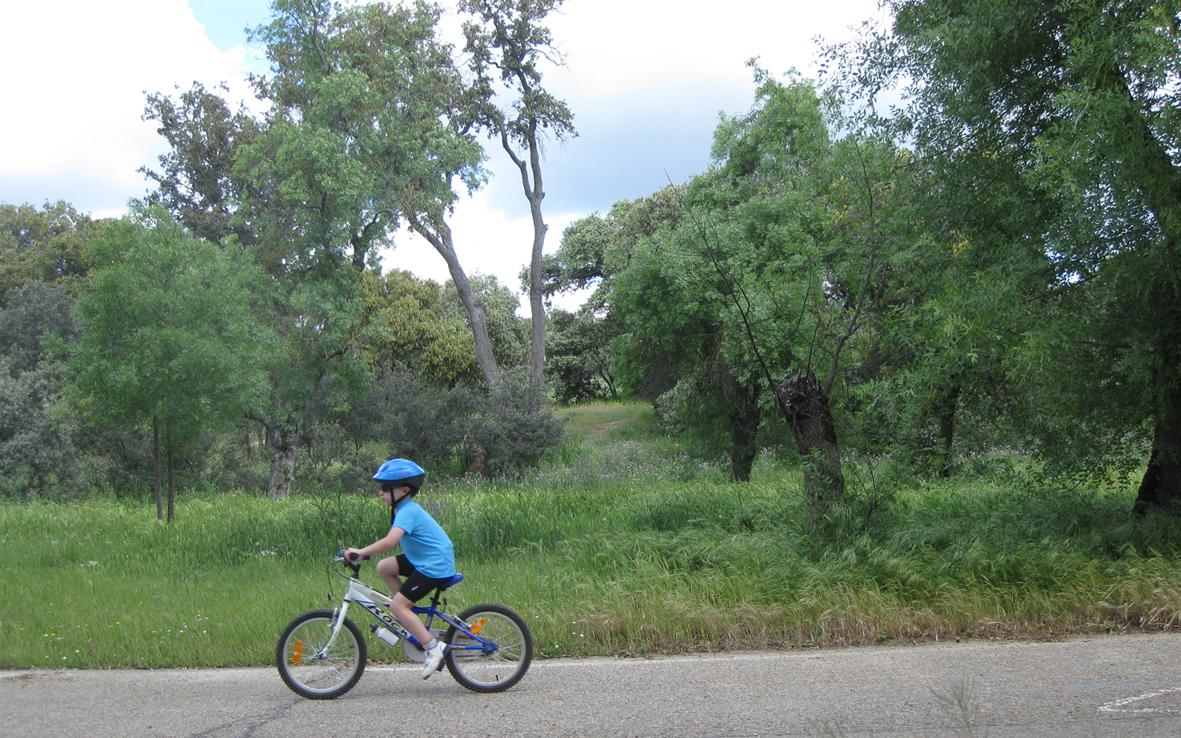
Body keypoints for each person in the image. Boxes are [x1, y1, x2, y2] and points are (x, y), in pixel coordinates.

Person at [345, 458, 455, 679]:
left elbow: (390, 542)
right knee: (384, 567)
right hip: (422, 558)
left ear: (404, 490)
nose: (381, 493)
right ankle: (407, 612)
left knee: (397, 606)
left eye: (386, 488)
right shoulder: (401, 509)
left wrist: (361, 552)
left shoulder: (408, 511)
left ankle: (433, 649)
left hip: (434, 564)